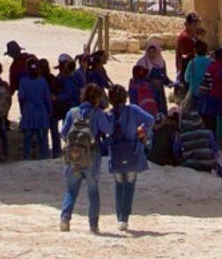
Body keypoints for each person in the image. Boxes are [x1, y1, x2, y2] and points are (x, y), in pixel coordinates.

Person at [57, 84, 116, 233]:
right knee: (93, 192)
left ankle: (65, 219)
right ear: (97, 98)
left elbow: (63, 134)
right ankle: (93, 225)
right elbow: (109, 130)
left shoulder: (72, 112)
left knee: (71, 190)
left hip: (73, 156)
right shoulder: (98, 113)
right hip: (92, 155)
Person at [100, 82, 155, 230]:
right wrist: (141, 131)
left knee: (119, 186)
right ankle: (125, 218)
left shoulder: (108, 114)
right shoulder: (134, 110)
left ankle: (119, 217)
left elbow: (105, 132)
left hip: (116, 154)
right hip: (132, 152)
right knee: (129, 187)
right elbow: (150, 120)